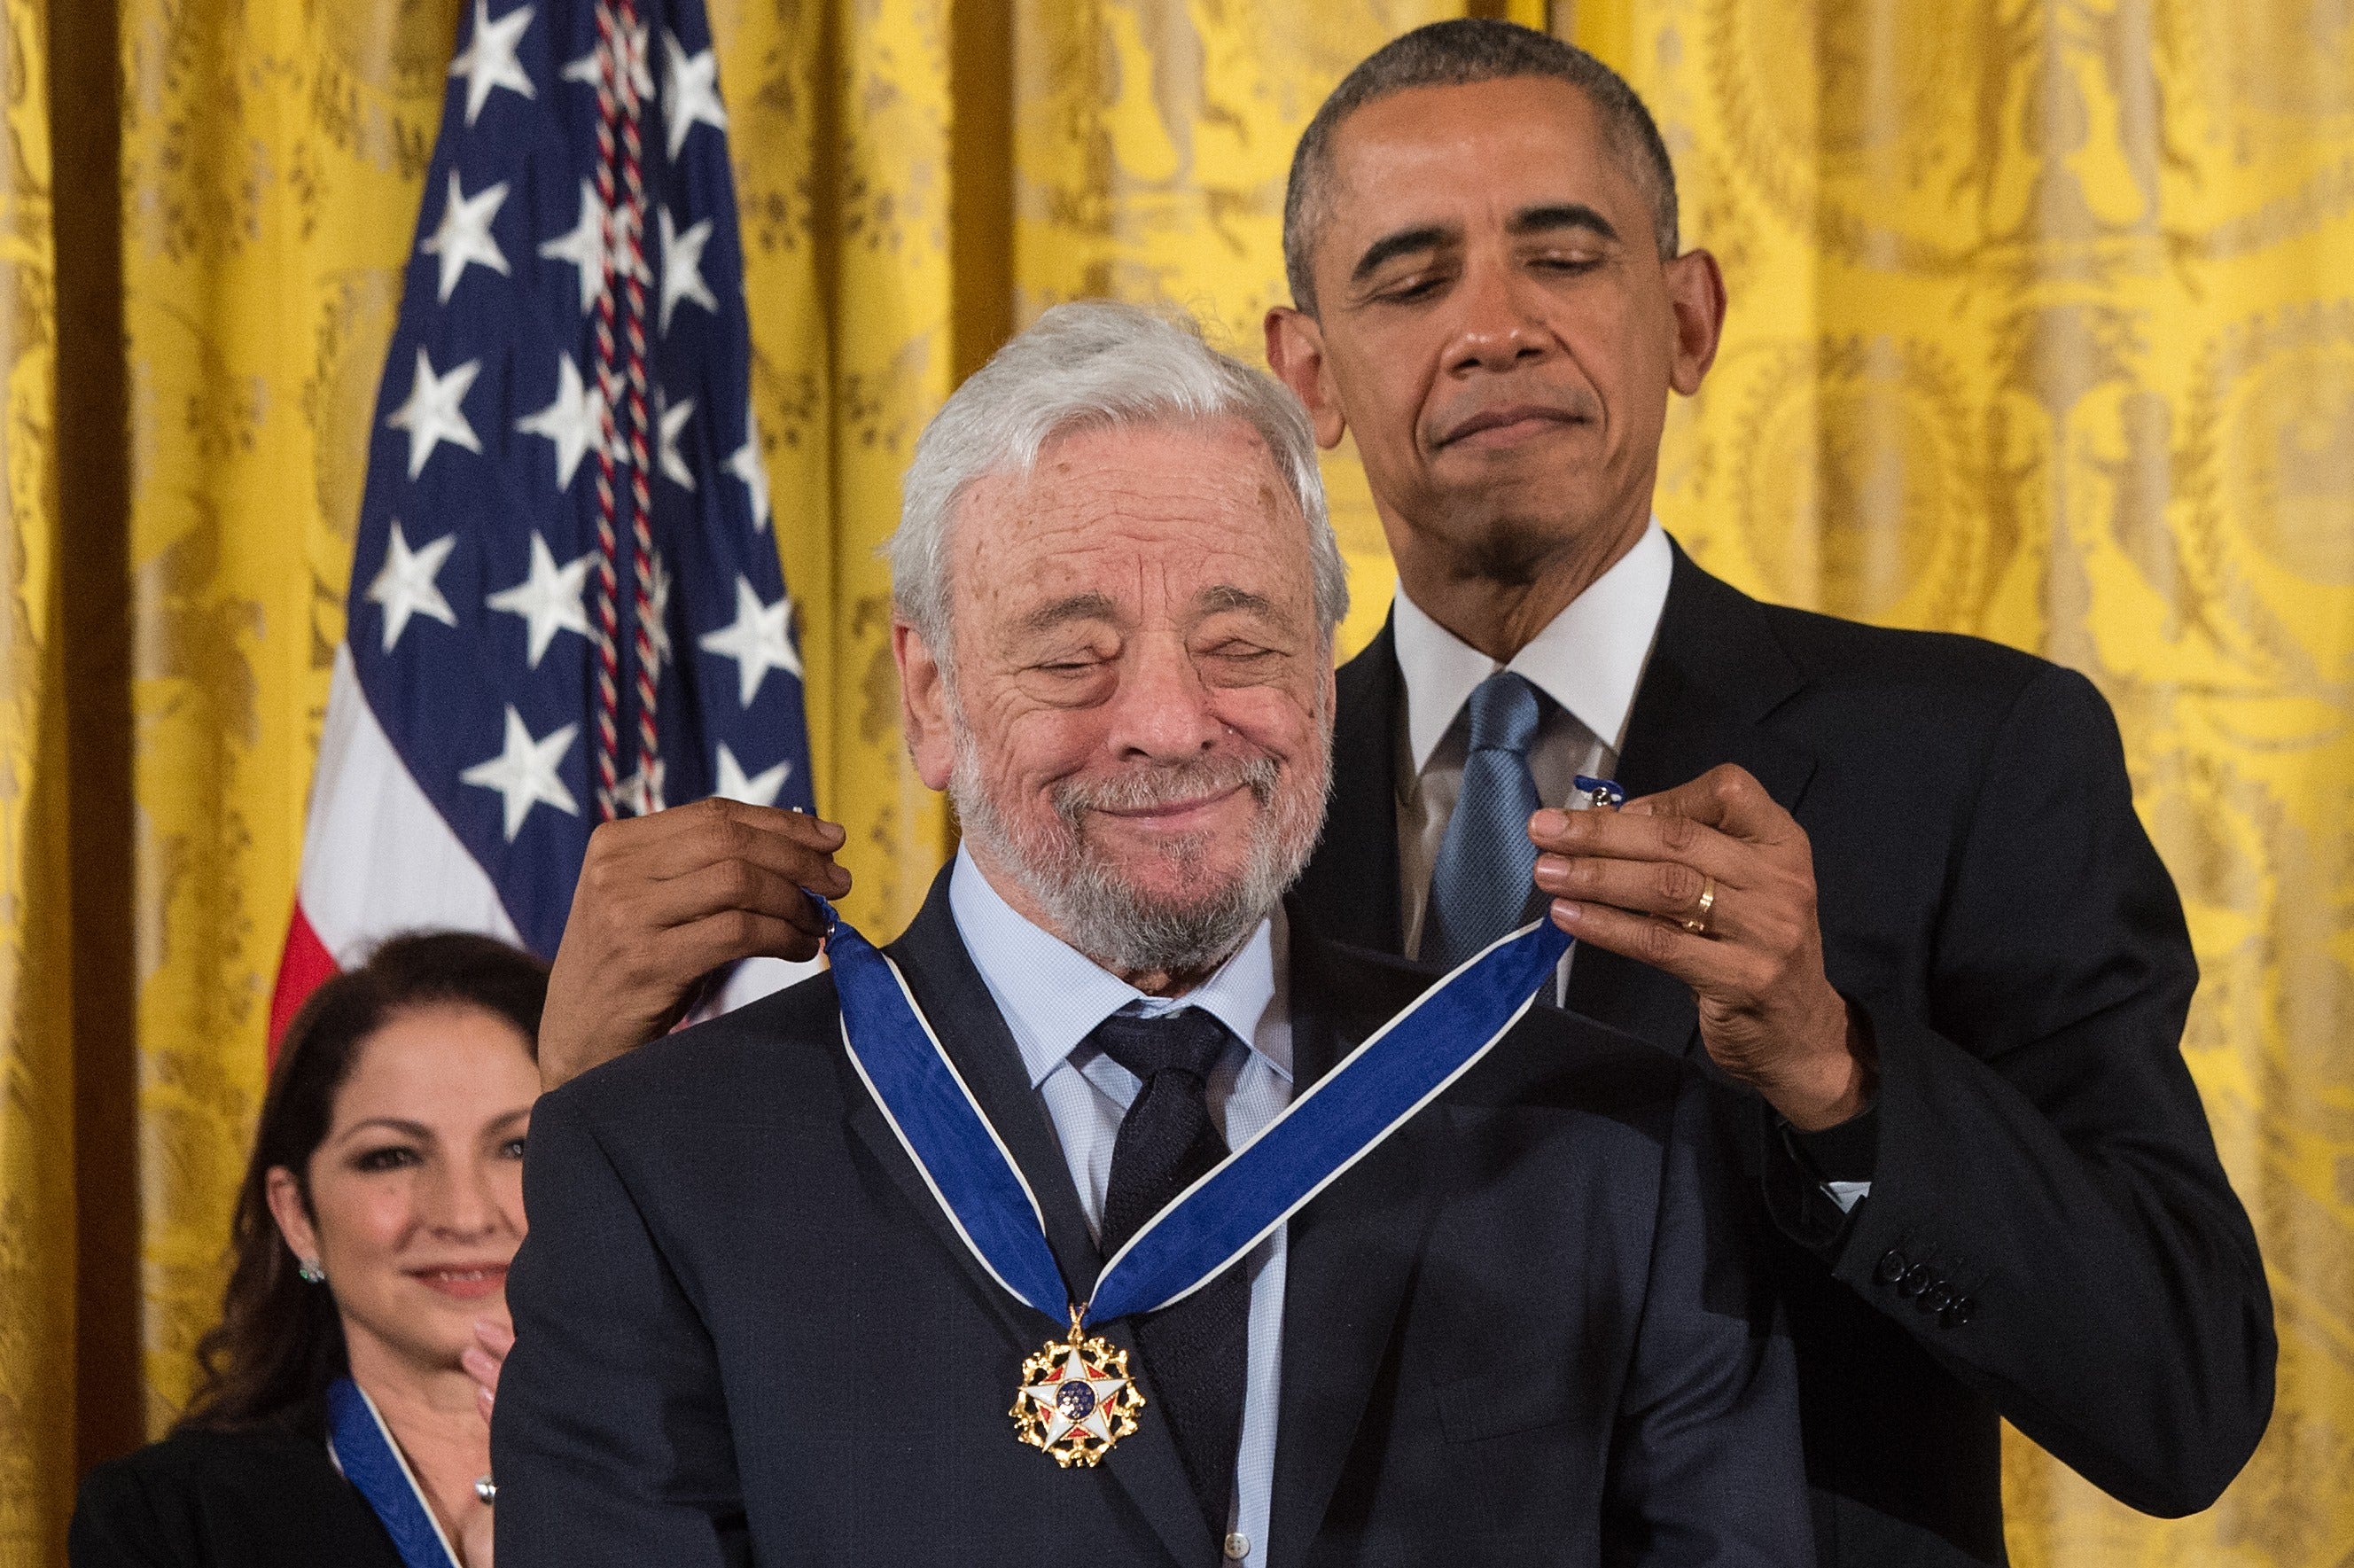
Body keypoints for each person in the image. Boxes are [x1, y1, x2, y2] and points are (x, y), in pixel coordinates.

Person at [528, 23, 2275, 1567]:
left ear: (1685, 313)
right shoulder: (1186, 777)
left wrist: (1837, 1073)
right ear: (1308, 373)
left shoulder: (1972, 749)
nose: (1491, 327)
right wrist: (584, 1088)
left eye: (1562, 256)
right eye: (1410, 274)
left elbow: (2178, 1400)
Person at [492, 302, 1815, 1566]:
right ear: (931, 692)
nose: (1173, 725)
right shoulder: (662, 1166)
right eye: (1074, 660)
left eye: (1241, 645)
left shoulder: (1604, 1144)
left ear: (1324, 665)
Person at [71, 932, 548, 1568]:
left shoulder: (711, 1479)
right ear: (297, 1213)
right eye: (392, 1156)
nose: (465, 1214)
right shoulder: (170, 1520)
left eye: (517, 1146)